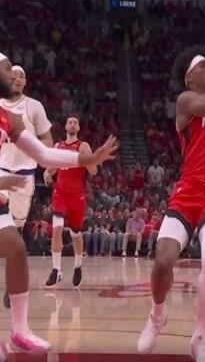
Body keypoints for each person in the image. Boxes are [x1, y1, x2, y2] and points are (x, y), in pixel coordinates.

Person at [137, 10, 205, 360]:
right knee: (163, 261)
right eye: (203, 66)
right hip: (187, 195)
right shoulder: (187, 102)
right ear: (189, 76)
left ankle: (200, 337)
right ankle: (158, 315)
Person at [0, 53, 117, 356]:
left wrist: (87, 157)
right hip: (9, 184)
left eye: (15, 71)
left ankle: (20, 331)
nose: (12, 75)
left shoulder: (11, 117)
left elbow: (44, 153)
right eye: (6, 70)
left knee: (17, 247)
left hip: (18, 184)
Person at [0, 65, 53, 308]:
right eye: (14, 75)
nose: (18, 79)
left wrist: (46, 158)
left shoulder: (34, 106)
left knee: (16, 234)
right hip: (1, 172)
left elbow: (47, 139)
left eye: (22, 76)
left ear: (26, 81)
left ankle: (11, 286)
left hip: (24, 177)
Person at [43, 116, 98, 288]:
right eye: (70, 122)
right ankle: (56, 270)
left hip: (77, 196)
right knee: (57, 229)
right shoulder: (58, 146)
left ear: (78, 128)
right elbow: (50, 170)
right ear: (66, 126)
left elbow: (94, 171)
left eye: (75, 122)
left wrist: (85, 159)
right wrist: (47, 174)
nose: (73, 125)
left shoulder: (83, 146)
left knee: (76, 234)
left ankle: (78, 266)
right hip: (60, 194)